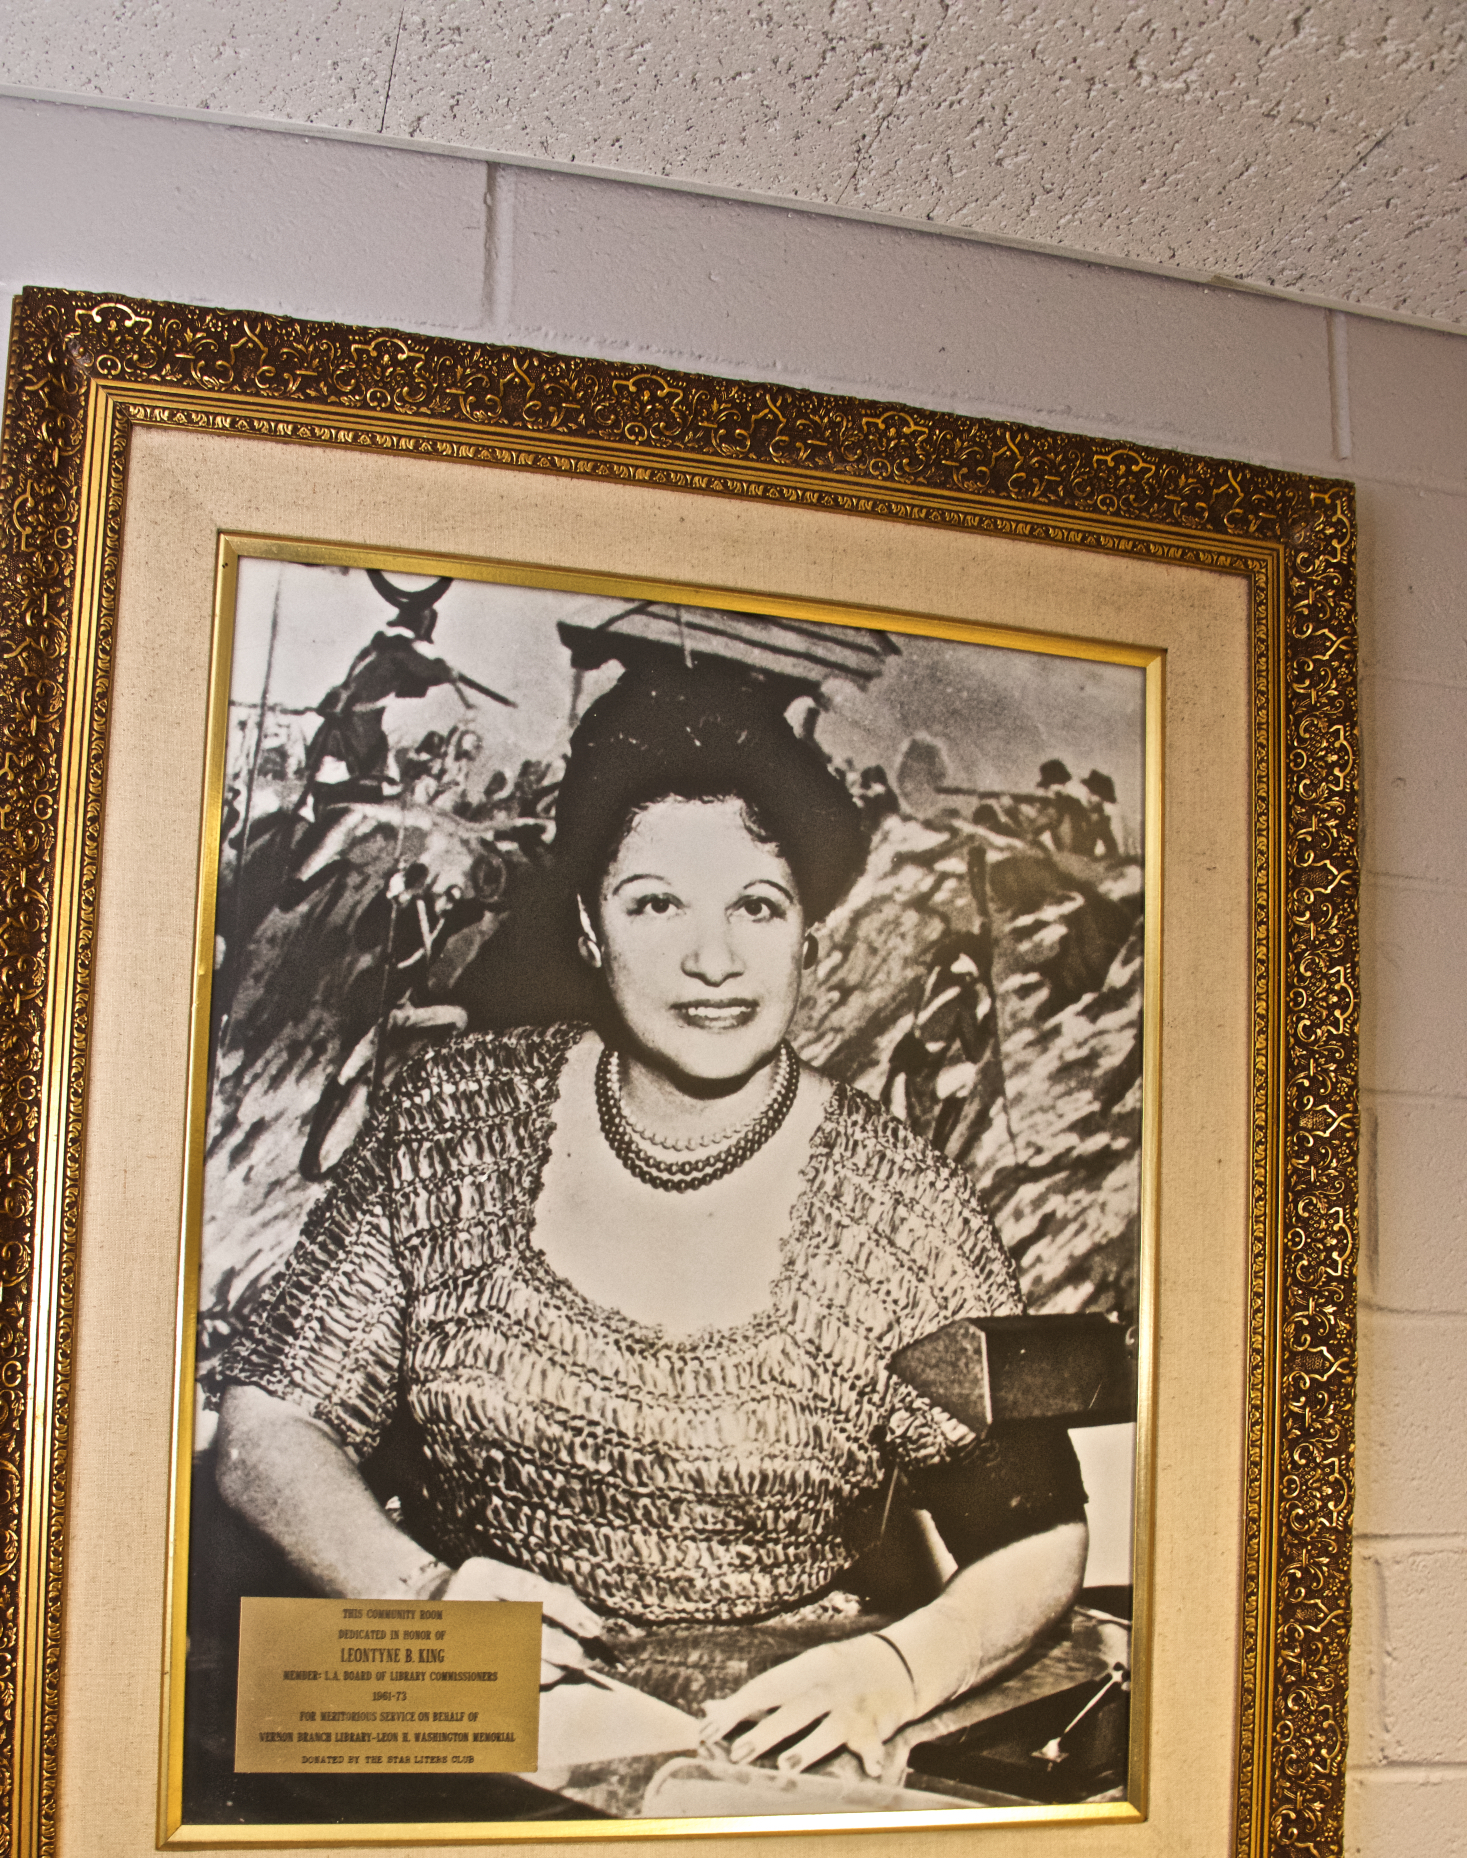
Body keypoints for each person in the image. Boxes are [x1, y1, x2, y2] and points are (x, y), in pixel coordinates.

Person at [215, 656, 1088, 1787]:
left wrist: (893, 1671)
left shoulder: (905, 1211)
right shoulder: (451, 1119)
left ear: (808, 934)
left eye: (757, 907)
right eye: (656, 903)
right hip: (465, 1708)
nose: (711, 959)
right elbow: (269, 1421)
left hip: (771, 1738)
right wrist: (420, 1594)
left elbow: (1033, 1533)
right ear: (588, 923)